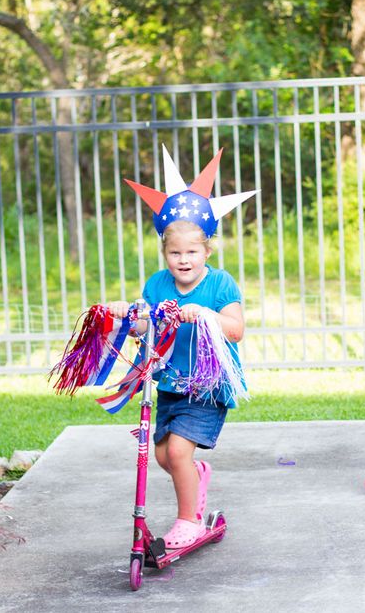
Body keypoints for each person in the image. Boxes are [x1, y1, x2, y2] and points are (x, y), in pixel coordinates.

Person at [108, 146, 256, 546]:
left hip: (207, 386)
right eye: (175, 253)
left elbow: (235, 329)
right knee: (164, 458)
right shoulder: (156, 284)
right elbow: (145, 327)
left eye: (192, 252)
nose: (184, 260)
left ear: (207, 250)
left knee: (176, 454)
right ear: (165, 253)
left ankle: (188, 520)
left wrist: (203, 313)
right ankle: (197, 476)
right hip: (169, 383)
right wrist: (127, 316)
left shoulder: (220, 283)